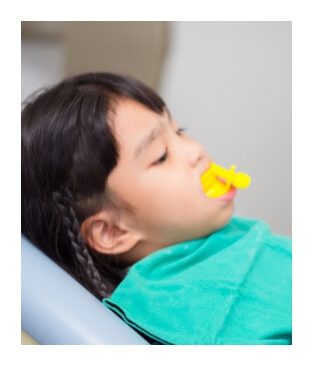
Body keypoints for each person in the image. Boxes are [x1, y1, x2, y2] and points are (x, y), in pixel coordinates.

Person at [21, 72, 291, 345]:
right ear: (112, 231)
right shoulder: (200, 324)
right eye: (161, 156)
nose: (195, 150)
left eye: (179, 131)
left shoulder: (211, 236)